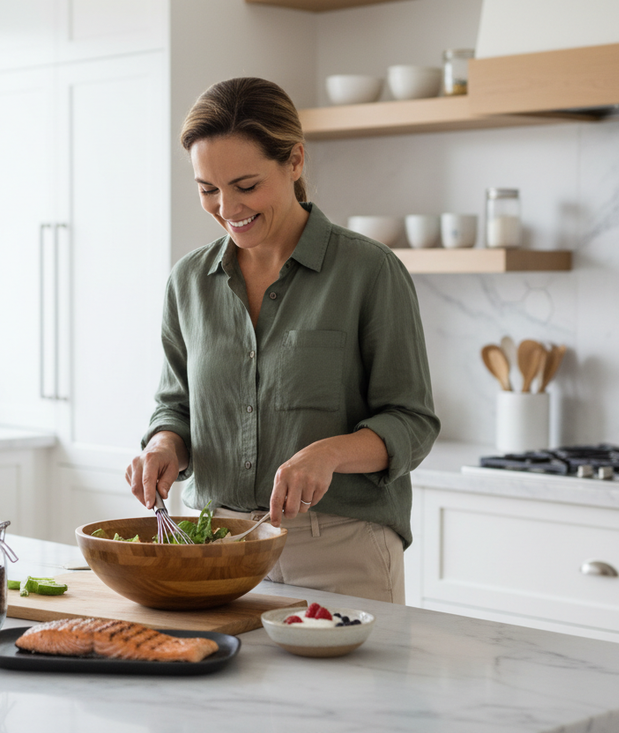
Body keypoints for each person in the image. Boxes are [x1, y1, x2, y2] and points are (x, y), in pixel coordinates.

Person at [125, 77, 440, 603]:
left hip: (339, 550)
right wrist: (163, 446)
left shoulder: (368, 271)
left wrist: (329, 454)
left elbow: (412, 421)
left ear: (294, 162)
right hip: (213, 547)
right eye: (207, 189)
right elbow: (175, 407)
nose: (227, 207)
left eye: (246, 186)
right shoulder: (188, 282)